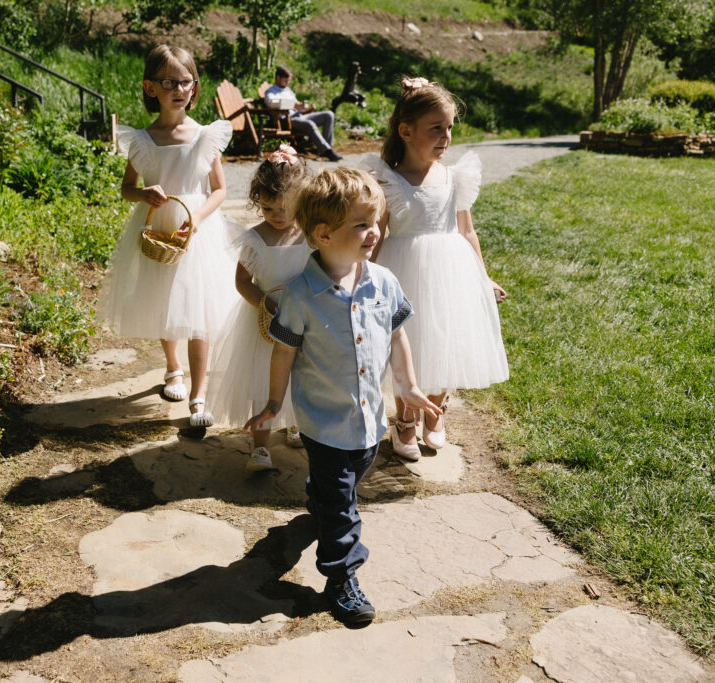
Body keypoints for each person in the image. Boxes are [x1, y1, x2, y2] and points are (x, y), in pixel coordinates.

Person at [244, 167, 440, 625]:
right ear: (324, 234)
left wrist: (409, 386)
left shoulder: (384, 282)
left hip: (370, 421)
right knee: (343, 510)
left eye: (376, 222)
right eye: (362, 224)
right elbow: (283, 352)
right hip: (324, 423)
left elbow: (397, 335)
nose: (375, 232)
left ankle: (320, 496)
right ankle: (341, 576)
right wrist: (273, 403)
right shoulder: (300, 296)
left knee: (348, 481)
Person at [362, 77, 509, 461]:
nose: (446, 137)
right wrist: (362, 277)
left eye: (449, 128)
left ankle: (436, 409)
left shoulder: (454, 177)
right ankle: (405, 417)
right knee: (407, 341)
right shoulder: (389, 180)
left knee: (446, 337)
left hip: (451, 271)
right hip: (404, 270)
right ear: (406, 131)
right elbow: (376, 236)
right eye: (436, 128)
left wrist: (483, 277)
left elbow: (467, 231)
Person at [98, 45, 238, 428]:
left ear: (195, 87)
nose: (179, 89)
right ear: (150, 88)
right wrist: (144, 193)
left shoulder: (205, 136)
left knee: (199, 309)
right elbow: (127, 188)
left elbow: (219, 190)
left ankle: (198, 394)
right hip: (159, 228)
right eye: (169, 82)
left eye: (186, 82)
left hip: (196, 230)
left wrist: (198, 219)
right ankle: (173, 368)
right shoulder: (142, 140)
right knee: (165, 300)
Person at [209, 144, 312, 472]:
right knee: (262, 382)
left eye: (285, 208)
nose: (277, 216)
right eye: (268, 209)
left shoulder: (309, 237)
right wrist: (264, 303)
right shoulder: (254, 239)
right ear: (257, 201)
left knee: (301, 375)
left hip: (303, 320)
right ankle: (261, 446)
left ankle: (295, 424)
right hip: (266, 325)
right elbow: (243, 282)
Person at [264, 66, 343, 162]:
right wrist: (293, 105)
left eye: (288, 81)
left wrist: (303, 106)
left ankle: (327, 148)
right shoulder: (271, 91)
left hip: (300, 115)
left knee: (329, 115)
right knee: (310, 124)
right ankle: (327, 151)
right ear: (278, 78)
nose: (287, 83)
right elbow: (271, 103)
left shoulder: (288, 90)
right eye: (285, 81)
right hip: (287, 120)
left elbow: (296, 103)